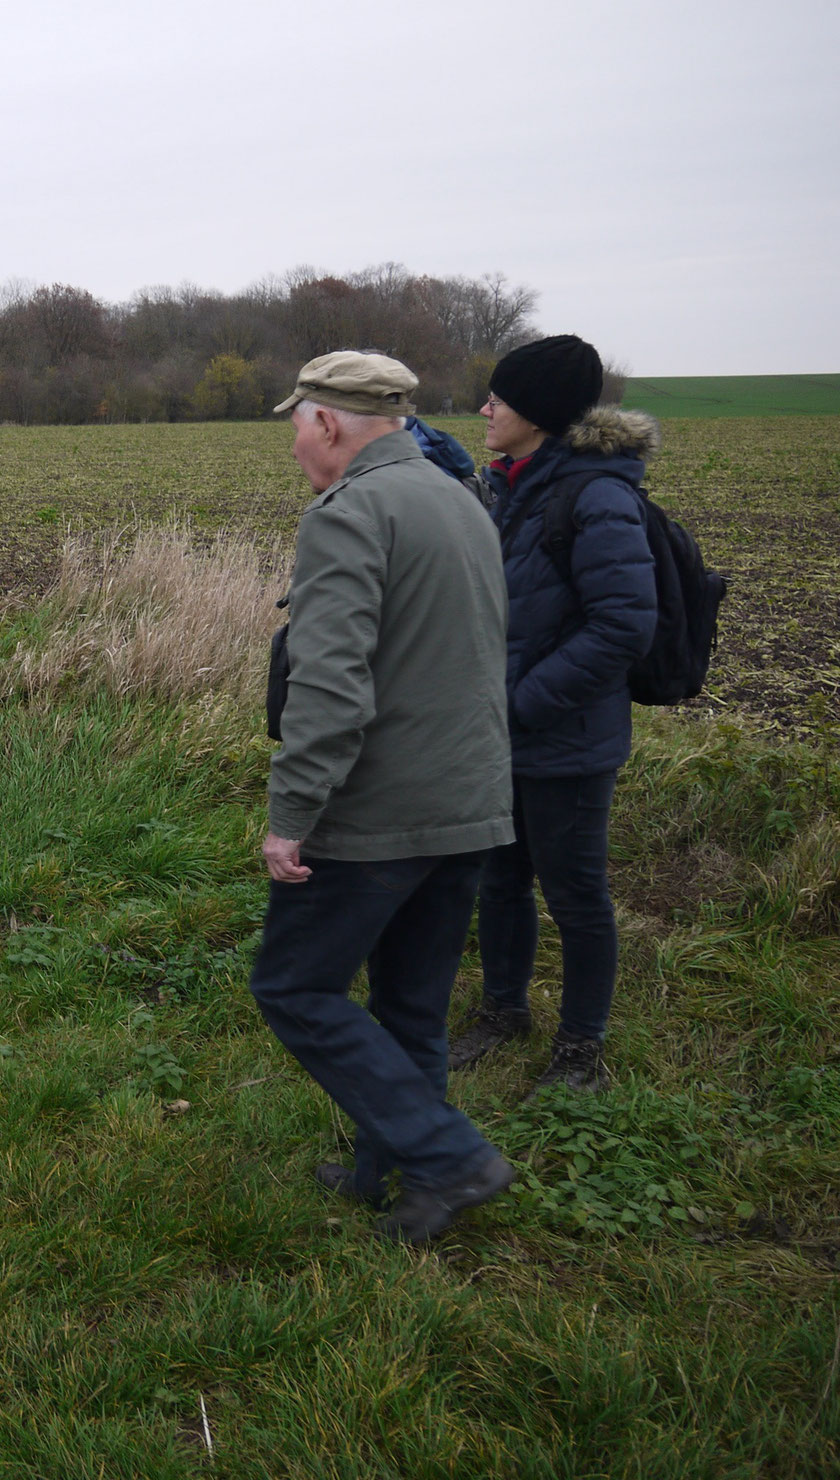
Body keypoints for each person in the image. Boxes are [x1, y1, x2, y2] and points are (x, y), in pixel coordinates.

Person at [251, 351, 518, 1244]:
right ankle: (393, 1176)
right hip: (470, 799)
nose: (294, 442)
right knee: (411, 1002)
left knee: (295, 987)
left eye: (298, 423)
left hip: (378, 813)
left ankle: (447, 1155)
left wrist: (292, 819)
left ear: (328, 422)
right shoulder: (461, 498)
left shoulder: (349, 513)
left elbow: (329, 689)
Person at [449, 335, 658, 1091]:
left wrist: (520, 704)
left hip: (565, 735)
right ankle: (502, 1013)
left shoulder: (595, 494)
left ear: (535, 412)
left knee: (576, 896)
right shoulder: (510, 483)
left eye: (498, 399)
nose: (485, 408)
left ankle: (580, 1052)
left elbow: (624, 625)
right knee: (499, 881)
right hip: (504, 731)